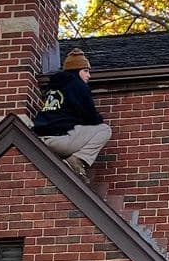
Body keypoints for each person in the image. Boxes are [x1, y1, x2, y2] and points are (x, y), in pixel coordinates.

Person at [32, 47, 111, 178]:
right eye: (85, 71)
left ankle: (64, 162)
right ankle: (77, 160)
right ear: (76, 71)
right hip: (60, 140)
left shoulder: (53, 87)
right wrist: (98, 118)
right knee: (104, 130)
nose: (88, 75)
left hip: (39, 139)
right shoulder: (78, 85)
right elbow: (91, 117)